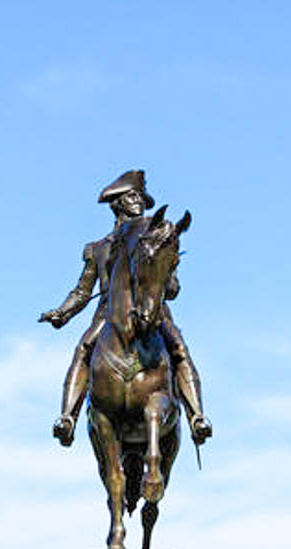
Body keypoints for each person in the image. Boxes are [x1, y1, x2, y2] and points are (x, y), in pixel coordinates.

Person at [39, 169, 212, 447]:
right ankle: (67, 417)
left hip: (151, 310)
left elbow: (170, 282)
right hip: (109, 316)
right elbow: (83, 291)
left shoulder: (151, 235)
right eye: (133, 197)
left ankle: (197, 417)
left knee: (178, 348)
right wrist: (62, 312)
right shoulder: (98, 248)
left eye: (141, 198)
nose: (139, 202)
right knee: (84, 349)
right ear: (117, 203)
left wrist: (169, 280)